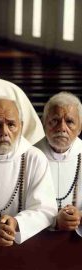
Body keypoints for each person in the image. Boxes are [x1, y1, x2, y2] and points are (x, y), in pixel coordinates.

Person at [0, 98, 57, 246]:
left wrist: (16, 223)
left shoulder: (35, 158)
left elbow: (45, 208)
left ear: (21, 126)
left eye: (11, 124)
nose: (4, 132)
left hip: (25, 247)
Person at [35, 92, 82, 236]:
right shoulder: (30, 156)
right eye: (55, 120)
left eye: (69, 121)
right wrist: (54, 221)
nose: (62, 128)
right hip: (37, 240)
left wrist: (79, 216)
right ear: (44, 123)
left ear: (80, 127)